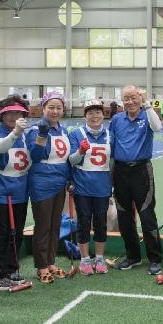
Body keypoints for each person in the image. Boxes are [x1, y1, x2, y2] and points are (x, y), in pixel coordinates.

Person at [108, 85, 163, 274]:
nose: (130, 101)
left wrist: (147, 103)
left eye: (134, 97)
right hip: (120, 171)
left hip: (141, 171)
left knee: (147, 215)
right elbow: (111, 149)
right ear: (122, 100)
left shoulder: (147, 115)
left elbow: (157, 127)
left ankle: (155, 258)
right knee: (124, 216)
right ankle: (133, 256)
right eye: (126, 98)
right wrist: (110, 176)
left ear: (140, 98)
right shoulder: (116, 120)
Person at [0, 95, 31, 291]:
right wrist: (15, 133)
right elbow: (0, 147)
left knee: (17, 232)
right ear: (2, 115)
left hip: (20, 190)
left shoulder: (27, 136)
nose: (13, 117)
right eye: (9, 113)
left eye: (18, 113)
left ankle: (12, 269)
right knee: (1, 233)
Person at [25, 91, 71, 284]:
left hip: (60, 182)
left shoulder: (63, 130)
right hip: (42, 183)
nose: (55, 111)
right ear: (43, 108)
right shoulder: (35, 130)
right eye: (51, 107)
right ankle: (41, 266)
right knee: (43, 226)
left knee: (55, 225)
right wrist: (42, 136)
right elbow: (36, 156)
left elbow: (66, 158)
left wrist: (70, 179)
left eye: (59, 108)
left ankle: (51, 262)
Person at [68, 99, 113, 275]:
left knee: (101, 223)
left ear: (103, 115)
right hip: (82, 188)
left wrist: (113, 185)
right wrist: (80, 151)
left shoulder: (110, 135)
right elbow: (71, 161)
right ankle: (85, 259)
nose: (95, 116)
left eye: (98, 112)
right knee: (84, 223)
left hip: (102, 188)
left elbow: (113, 161)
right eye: (90, 113)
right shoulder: (76, 134)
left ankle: (99, 258)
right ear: (85, 116)